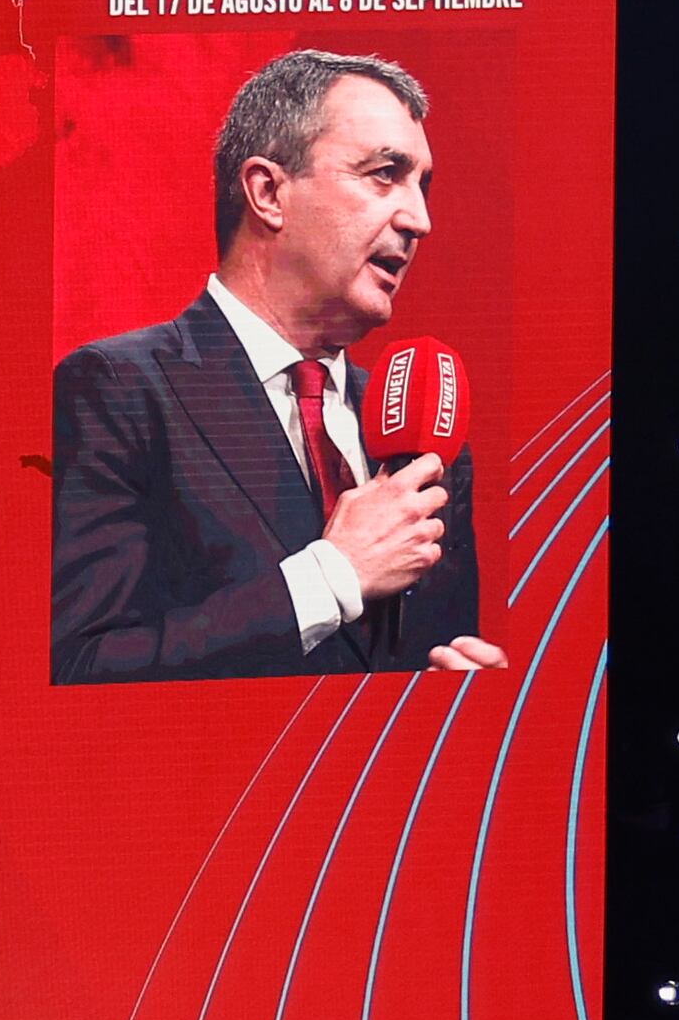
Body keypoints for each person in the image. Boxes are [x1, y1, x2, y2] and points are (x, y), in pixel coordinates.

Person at [47, 47, 504, 685]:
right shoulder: (117, 391)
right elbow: (81, 667)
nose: (420, 220)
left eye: (421, 185)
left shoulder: (425, 436)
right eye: (384, 173)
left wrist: (460, 688)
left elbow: (432, 662)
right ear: (268, 193)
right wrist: (333, 577)